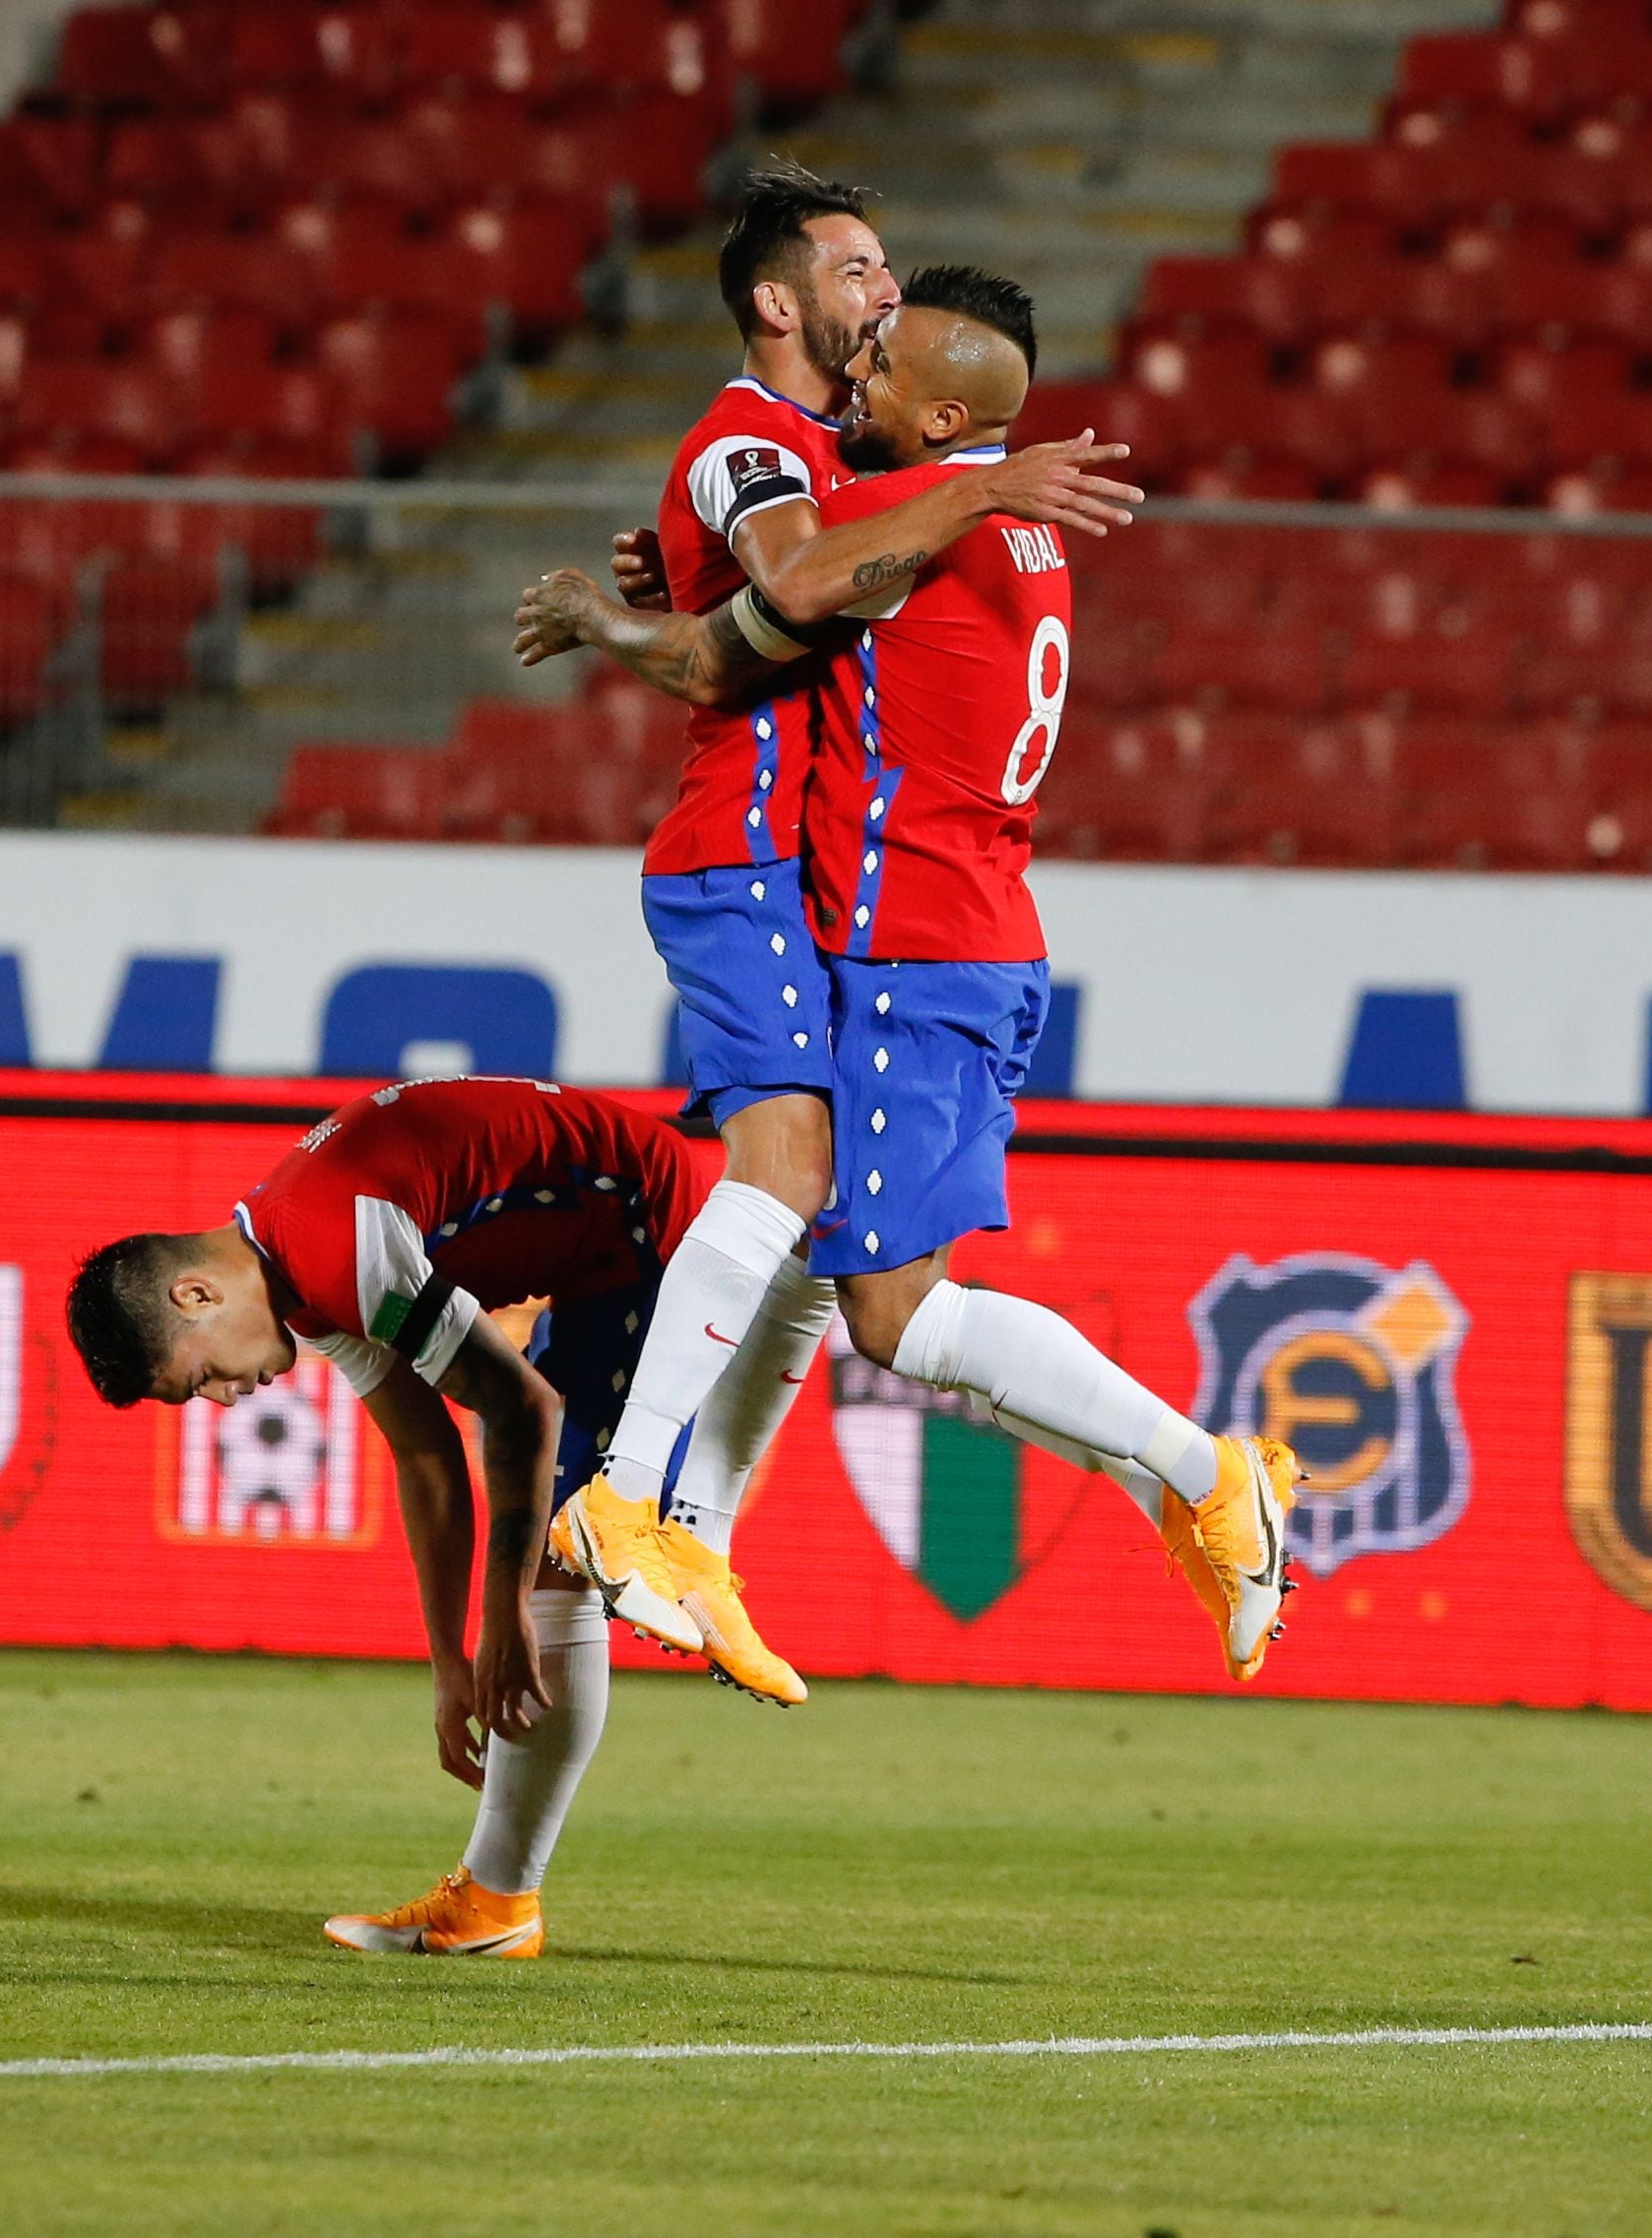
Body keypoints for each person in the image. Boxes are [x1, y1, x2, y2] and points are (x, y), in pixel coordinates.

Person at [514, 266, 1303, 1683]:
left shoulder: (912, 518)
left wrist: (607, 614)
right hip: (972, 937)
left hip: (914, 951)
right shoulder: (1007, 528)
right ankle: (701, 1518)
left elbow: (751, 620)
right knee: (841, 1269)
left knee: (902, 1315)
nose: (847, 389)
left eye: (876, 378)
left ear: (943, 416)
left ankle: (1200, 1469)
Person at [557, 160, 1146, 1705]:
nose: (885, 295)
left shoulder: (834, 456)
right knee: (802, 1188)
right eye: (861, 270)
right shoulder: (761, 445)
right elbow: (782, 583)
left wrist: (652, 592)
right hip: (742, 857)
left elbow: (785, 573)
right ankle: (627, 1500)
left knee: (824, 1232)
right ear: (779, 300)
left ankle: (690, 1527)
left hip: (823, 883)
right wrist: (661, 612)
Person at [64, 1075, 834, 1956]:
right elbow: (426, 1457)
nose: (230, 1399)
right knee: (558, 1555)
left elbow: (521, 1411)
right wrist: (447, 1658)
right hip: (598, 1241)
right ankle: (499, 1904)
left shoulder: (332, 1244)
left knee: (558, 1562)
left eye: (202, 1379)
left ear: (193, 1297)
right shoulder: (299, 1274)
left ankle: (500, 1906)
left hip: (640, 1219)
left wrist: (498, 1614)